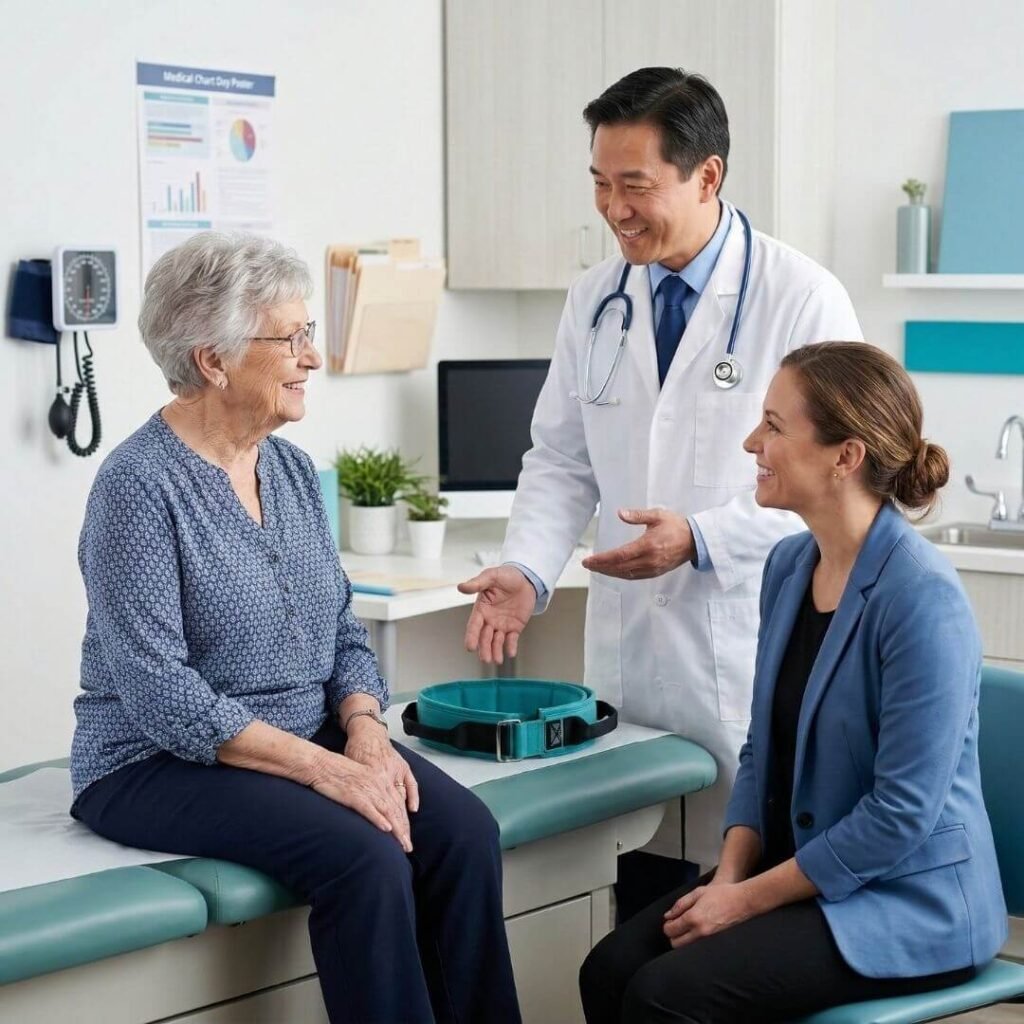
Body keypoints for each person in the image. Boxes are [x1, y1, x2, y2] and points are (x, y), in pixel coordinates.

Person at [69, 232, 521, 1024]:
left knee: (465, 834)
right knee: (365, 856)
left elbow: (340, 629)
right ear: (213, 360)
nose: (311, 357)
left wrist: (366, 731)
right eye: (292, 338)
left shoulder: (288, 469)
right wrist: (323, 770)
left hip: (302, 735)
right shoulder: (137, 486)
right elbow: (161, 693)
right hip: (151, 763)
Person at [459, 67, 862, 870]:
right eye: (600, 184)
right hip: (630, 655)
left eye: (635, 186)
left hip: (746, 639)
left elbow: (838, 484)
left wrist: (700, 538)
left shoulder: (802, 298)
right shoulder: (594, 298)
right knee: (635, 875)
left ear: (707, 176)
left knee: (743, 878)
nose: (614, 209)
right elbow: (562, 458)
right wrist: (528, 568)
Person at [578, 341, 1008, 1023]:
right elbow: (762, 748)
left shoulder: (922, 598)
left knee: (665, 996)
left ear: (846, 456)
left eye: (774, 426)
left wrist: (743, 902)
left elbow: (900, 814)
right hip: (804, 868)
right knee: (609, 971)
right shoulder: (787, 566)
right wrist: (728, 876)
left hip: (909, 902)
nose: (753, 442)